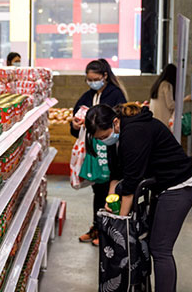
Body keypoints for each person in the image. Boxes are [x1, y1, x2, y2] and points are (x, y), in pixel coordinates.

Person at [85, 103, 192, 292]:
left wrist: (120, 220)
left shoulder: (135, 132)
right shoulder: (117, 135)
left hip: (179, 186)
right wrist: (110, 199)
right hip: (161, 187)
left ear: (115, 122)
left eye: (105, 136)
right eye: (100, 139)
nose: (105, 141)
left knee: (160, 249)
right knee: (150, 243)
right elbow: (115, 174)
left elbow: (130, 183)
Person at [71, 58, 127, 246]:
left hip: (111, 152)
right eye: (89, 79)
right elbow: (76, 117)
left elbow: (119, 121)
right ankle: (97, 226)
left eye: (95, 78)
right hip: (93, 152)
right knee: (98, 189)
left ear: (105, 76)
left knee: (109, 190)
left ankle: (108, 230)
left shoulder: (116, 94)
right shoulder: (88, 96)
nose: (92, 82)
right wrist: (75, 124)